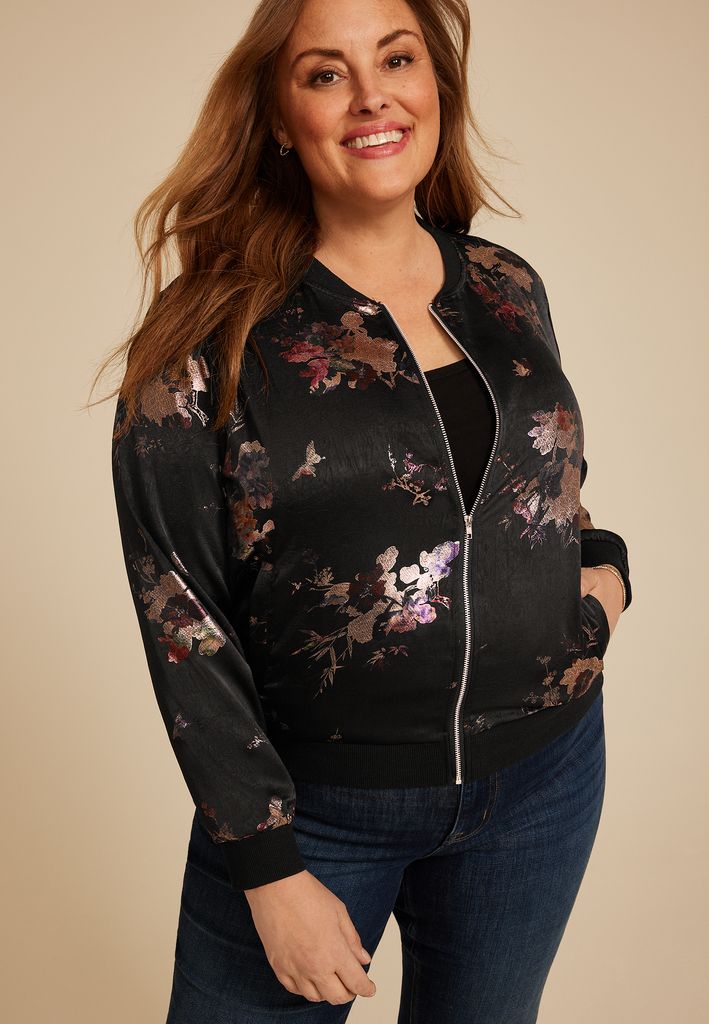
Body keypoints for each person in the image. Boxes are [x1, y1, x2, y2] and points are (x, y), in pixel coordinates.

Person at [97, 0, 632, 1019]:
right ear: (278, 115)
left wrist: (603, 581)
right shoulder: (206, 337)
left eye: (396, 59)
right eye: (325, 73)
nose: (372, 96)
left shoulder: (505, 285)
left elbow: (541, 483)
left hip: (542, 781)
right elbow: (180, 611)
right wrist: (267, 865)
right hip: (315, 813)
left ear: (435, 85)